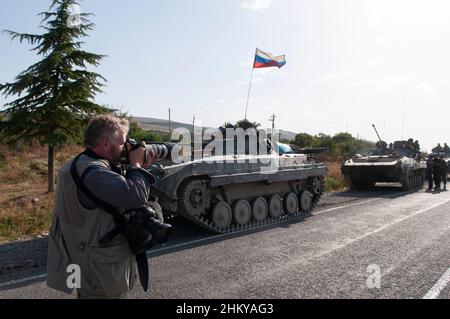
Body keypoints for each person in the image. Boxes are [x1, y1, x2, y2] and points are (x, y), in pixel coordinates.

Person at [47, 115, 157, 299]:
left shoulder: (75, 165)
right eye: (122, 144)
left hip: (81, 259)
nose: (124, 149)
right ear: (105, 143)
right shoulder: (94, 173)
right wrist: (136, 165)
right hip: (101, 271)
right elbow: (136, 196)